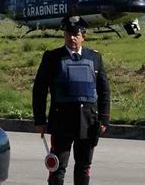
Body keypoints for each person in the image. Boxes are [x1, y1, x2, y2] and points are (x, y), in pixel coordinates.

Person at [32, 21, 110, 185]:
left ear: (83, 37)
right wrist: (39, 120)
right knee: (57, 167)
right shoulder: (52, 57)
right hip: (62, 122)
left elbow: (103, 90)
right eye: (68, 34)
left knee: (83, 167)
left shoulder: (94, 57)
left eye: (76, 35)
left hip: (88, 123)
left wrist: (104, 119)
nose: (72, 38)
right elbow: (40, 90)